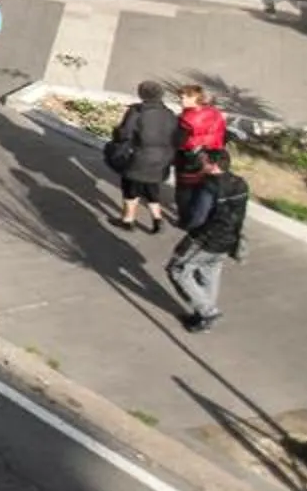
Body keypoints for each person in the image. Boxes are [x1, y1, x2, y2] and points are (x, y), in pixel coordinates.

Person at [166, 145, 251, 333]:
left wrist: (189, 225)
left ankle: (208, 311)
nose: (200, 163)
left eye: (204, 161)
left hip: (205, 239)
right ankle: (202, 316)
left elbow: (199, 216)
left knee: (177, 269)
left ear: (213, 165)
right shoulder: (240, 184)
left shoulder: (209, 186)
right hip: (229, 239)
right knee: (210, 272)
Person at [105, 82, 179, 232]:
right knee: (151, 186)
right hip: (163, 159)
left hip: (140, 157)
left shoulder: (137, 112)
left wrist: (116, 137)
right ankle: (157, 219)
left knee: (130, 188)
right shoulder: (170, 114)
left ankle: (128, 220)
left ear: (141, 95)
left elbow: (124, 134)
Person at [172, 83, 229, 223]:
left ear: (195, 98)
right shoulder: (215, 113)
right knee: (203, 188)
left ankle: (185, 219)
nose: (181, 100)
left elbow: (178, 141)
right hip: (213, 155)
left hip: (190, 158)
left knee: (184, 191)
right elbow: (224, 134)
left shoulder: (187, 120)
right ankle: (202, 216)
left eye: (184, 97)